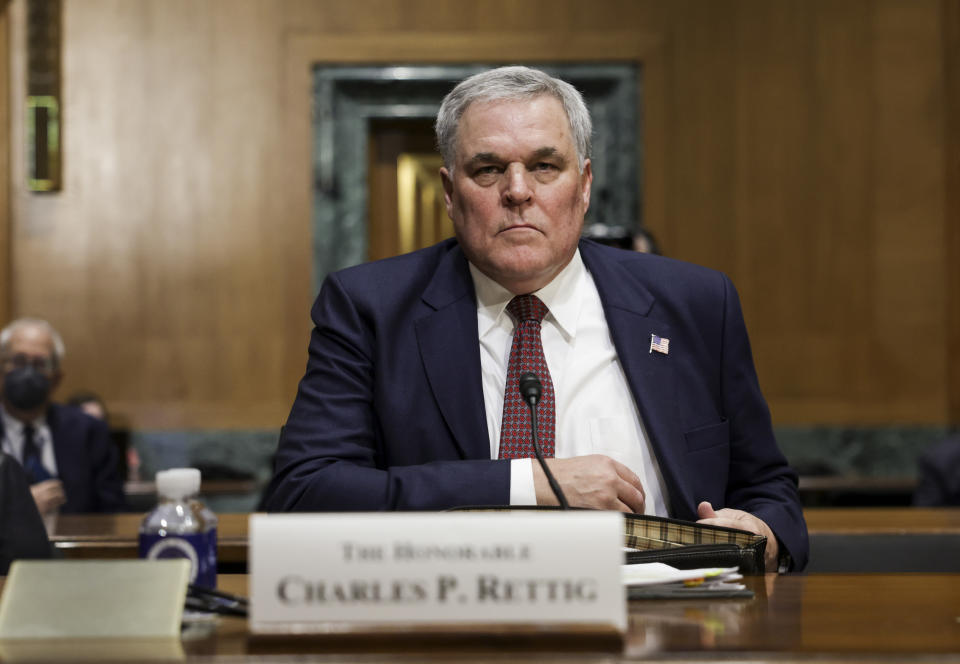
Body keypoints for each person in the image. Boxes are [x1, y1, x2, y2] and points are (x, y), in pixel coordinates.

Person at [261, 66, 808, 572]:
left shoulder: (694, 303)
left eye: (545, 166)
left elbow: (767, 487)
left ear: (585, 184)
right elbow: (304, 494)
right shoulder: (371, 308)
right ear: (450, 194)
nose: (518, 191)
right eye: (489, 168)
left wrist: (762, 529)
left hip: (664, 624)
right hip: (454, 622)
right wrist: (529, 482)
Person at [0, 318, 126, 515]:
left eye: (40, 364)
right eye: (19, 361)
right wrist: (18, 507)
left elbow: (114, 514)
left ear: (57, 378)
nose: (28, 372)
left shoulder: (90, 432)